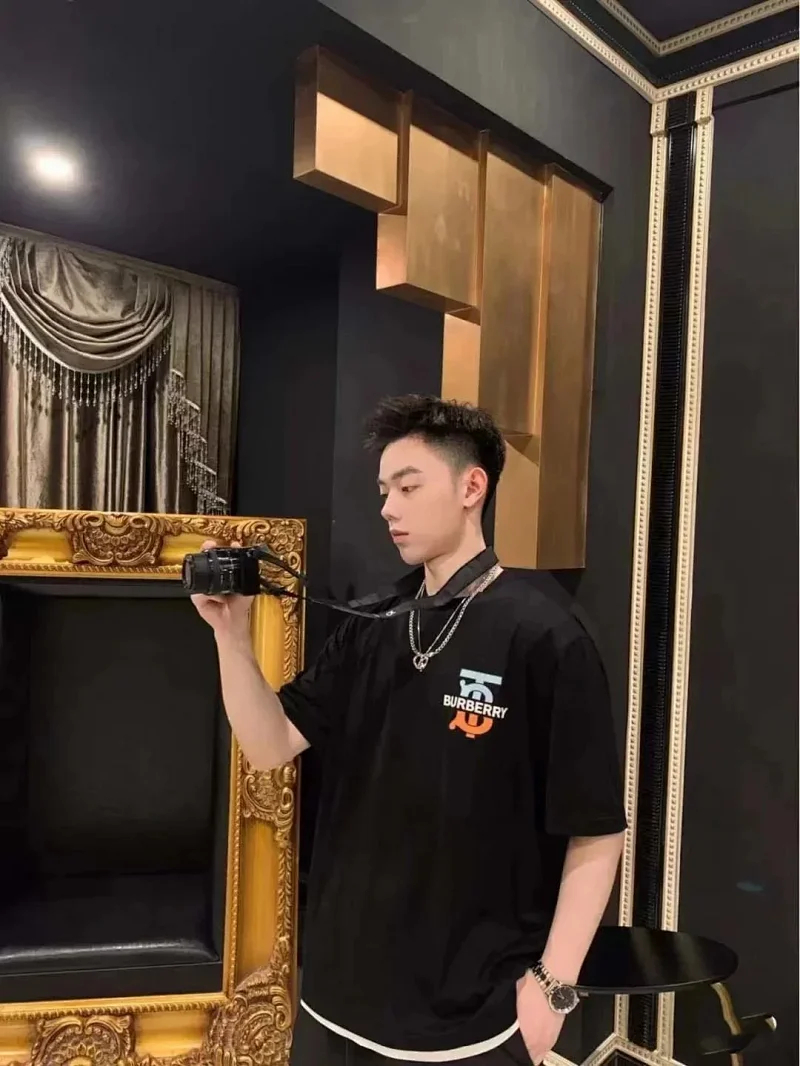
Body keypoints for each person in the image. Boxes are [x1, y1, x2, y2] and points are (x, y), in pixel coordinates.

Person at [191, 395, 627, 1065]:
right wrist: (231, 636)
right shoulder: (372, 624)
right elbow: (270, 743)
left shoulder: (545, 636)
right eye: (384, 490)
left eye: (408, 486)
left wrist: (552, 989)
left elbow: (595, 829)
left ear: (471, 488)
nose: (388, 507)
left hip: (470, 1017)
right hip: (335, 1000)